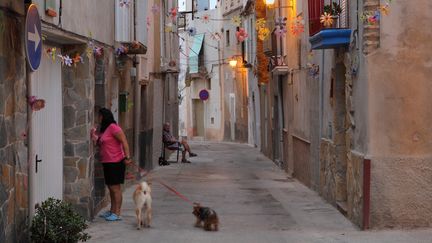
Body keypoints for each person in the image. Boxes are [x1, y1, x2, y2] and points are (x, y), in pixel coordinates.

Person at [91, 108, 132, 221]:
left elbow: (124, 141)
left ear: (104, 116)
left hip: (116, 162)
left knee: (115, 188)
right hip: (107, 162)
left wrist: (127, 157)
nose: (98, 118)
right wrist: (94, 136)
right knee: (111, 187)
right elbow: (101, 143)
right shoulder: (105, 129)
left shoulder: (113, 127)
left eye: (99, 116)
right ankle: (112, 211)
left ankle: (117, 213)